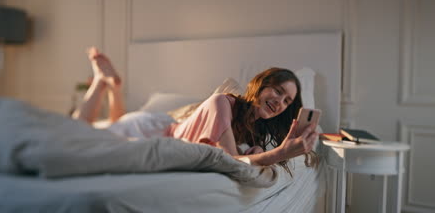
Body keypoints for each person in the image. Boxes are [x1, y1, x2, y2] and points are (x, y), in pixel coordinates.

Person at [73, 47, 319, 170]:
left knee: (111, 124)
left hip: (164, 127)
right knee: (79, 131)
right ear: (261, 86)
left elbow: (244, 157)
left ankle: (113, 86)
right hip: (153, 131)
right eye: (278, 91)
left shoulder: (255, 128)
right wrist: (279, 154)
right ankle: (101, 82)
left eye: (287, 101)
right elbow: (232, 160)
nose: (280, 102)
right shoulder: (221, 102)